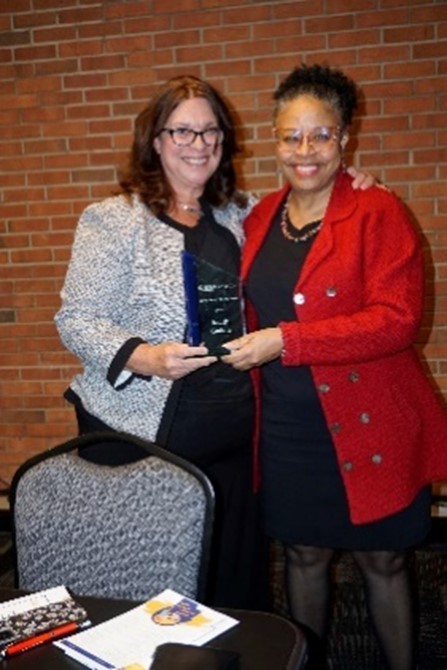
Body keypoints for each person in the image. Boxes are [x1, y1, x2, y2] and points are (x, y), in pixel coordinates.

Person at [55, 74, 374, 611]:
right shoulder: (113, 219)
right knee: (152, 588)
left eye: (209, 133)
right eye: (181, 131)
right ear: (155, 140)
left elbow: (309, 203)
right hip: (143, 436)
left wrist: (355, 183)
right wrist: (145, 356)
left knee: (229, 589)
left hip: (233, 437)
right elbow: (76, 319)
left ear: (223, 143)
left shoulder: (240, 215)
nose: (197, 144)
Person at [222, 63, 447, 669]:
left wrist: (286, 342)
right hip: (290, 431)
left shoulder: (378, 212)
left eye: (321, 135)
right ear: (275, 140)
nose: (306, 151)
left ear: (344, 138)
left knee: (384, 559)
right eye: (291, 137)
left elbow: (398, 320)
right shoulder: (258, 217)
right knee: (303, 556)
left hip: (371, 417)